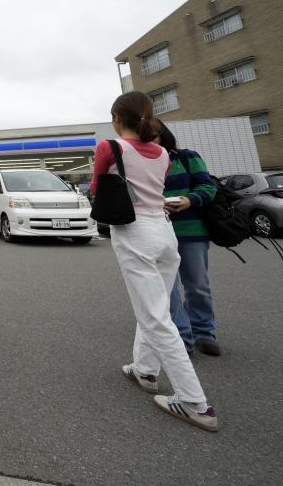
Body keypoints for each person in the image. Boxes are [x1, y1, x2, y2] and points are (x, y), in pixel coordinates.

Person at [92, 91, 218, 432]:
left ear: (117, 119)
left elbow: (95, 187)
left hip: (135, 233)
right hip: (164, 233)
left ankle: (195, 402)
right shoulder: (162, 152)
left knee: (155, 316)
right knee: (154, 306)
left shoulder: (109, 147)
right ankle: (144, 369)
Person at [155, 122, 221, 356]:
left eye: (151, 133)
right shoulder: (141, 162)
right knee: (167, 289)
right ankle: (181, 337)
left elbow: (208, 187)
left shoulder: (186, 157)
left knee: (197, 285)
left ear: (161, 134)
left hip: (192, 230)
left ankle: (204, 331)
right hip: (159, 233)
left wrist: (189, 200)